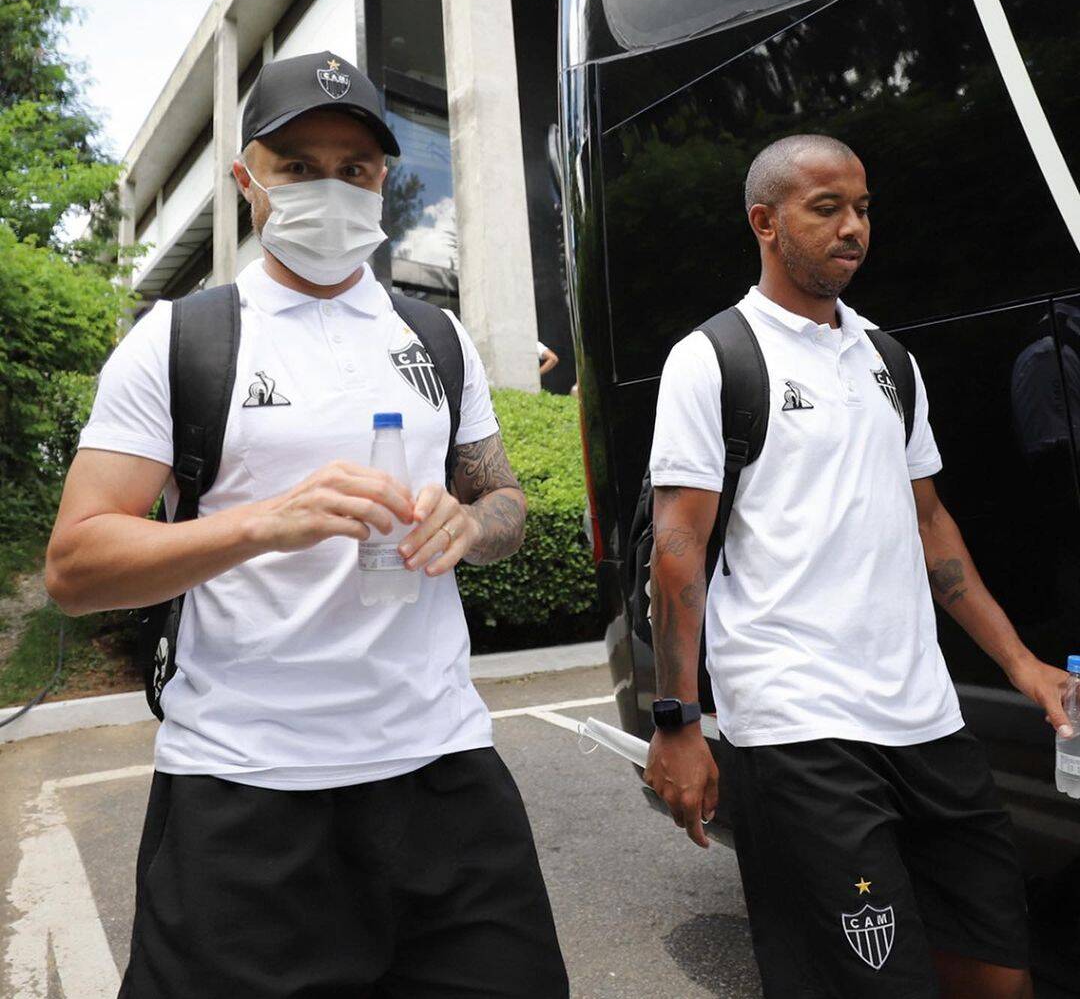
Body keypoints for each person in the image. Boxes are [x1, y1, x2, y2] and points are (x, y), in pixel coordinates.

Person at [45, 51, 569, 999]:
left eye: (355, 168)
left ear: (383, 181)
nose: (330, 188)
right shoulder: (181, 340)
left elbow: (507, 505)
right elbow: (77, 565)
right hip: (245, 789)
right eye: (297, 166)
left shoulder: (437, 340)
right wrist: (259, 525)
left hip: (442, 773)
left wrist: (470, 524)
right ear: (248, 179)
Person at [643, 133, 1071, 999]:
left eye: (864, 208)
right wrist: (678, 721)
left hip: (926, 719)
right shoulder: (714, 359)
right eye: (827, 207)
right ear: (765, 222)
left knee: (999, 976)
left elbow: (930, 522)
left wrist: (1021, 663)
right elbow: (677, 556)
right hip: (800, 728)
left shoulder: (889, 359)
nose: (854, 228)